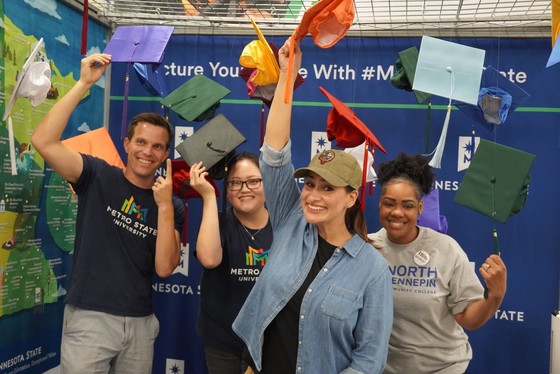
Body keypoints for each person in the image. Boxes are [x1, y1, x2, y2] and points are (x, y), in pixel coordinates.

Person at [232, 39, 393, 374]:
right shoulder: (292, 220)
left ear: (351, 198)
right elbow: (275, 152)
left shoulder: (372, 270)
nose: (313, 195)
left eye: (328, 188)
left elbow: (369, 361)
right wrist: (288, 74)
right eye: (310, 184)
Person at [31, 53, 185, 373]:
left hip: (141, 324)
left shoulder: (172, 202)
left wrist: (166, 205)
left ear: (165, 153)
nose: (148, 152)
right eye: (140, 142)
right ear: (126, 143)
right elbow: (43, 141)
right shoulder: (97, 174)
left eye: (157, 147)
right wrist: (84, 83)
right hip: (90, 319)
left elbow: (165, 267)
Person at [368, 152, 507, 374]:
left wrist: (495, 296)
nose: (397, 212)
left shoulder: (445, 249)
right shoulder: (368, 249)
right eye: (389, 203)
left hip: (443, 368)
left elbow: (468, 319)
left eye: (408, 205)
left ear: (420, 208)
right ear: (379, 205)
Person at [189, 152, 272, 374]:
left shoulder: (283, 225)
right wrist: (208, 197)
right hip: (224, 344)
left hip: (271, 344)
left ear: (267, 183)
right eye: (235, 183)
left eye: (254, 181)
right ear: (227, 190)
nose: (244, 188)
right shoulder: (217, 222)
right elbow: (209, 259)